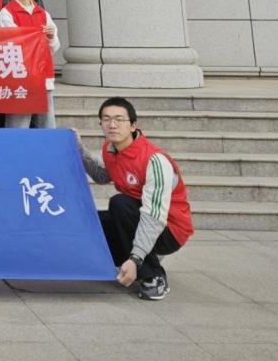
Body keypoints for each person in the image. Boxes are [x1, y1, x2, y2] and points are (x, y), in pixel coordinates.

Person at [76, 98, 195, 301]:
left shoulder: (154, 160)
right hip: (133, 218)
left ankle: (153, 276)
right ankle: (133, 260)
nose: (112, 125)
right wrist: (79, 149)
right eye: (106, 119)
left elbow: (153, 215)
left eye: (119, 119)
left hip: (168, 228)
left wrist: (136, 257)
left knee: (120, 203)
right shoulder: (110, 149)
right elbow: (102, 176)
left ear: (133, 125)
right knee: (91, 222)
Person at [0, 0, 59, 129]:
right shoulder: (6, 14)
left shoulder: (43, 13)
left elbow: (53, 47)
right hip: (19, 76)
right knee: (18, 124)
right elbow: (10, 47)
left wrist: (51, 37)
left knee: (47, 124)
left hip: (43, 75)